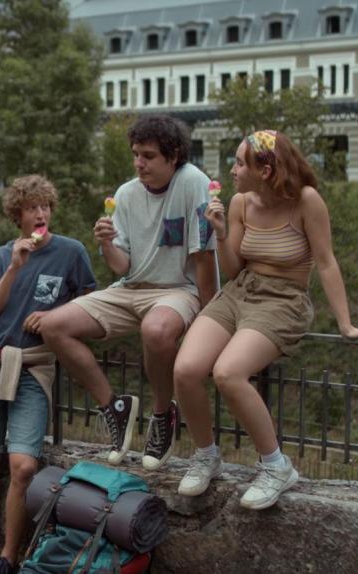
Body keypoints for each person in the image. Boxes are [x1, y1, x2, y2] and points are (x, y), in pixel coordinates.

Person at [172, 130, 358, 510]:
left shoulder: (306, 201)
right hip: (239, 292)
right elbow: (233, 271)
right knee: (185, 369)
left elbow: (327, 263)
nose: (232, 170)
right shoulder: (239, 202)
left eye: (239, 163)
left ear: (265, 171)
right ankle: (206, 456)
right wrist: (221, 235)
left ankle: (276, 466)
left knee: (228, 373)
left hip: (283, 300)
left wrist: (345, 323)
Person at [41, 115, 217, 471]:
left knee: (156, 329)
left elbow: (203, 257)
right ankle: (114, 407)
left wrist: (213, 317)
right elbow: (121, 266)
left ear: (173, 156)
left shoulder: (192, 182)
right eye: (136, 154)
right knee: (53, 326)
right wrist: (107, 244)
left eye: (148, 156)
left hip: (177, 290)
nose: (139, 163)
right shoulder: (126, 193)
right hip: (130, 287)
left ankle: (162, 415)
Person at [0, 175, 96, 574]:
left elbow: (91, 303)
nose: (40, 213)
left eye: (45, 206)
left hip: (34, 368)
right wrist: (14, 269)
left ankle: (8, 557)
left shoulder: (71, 252)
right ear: (17, 215)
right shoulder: (1, 256)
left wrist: (56, 317)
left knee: (23, 466)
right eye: (32, 207)